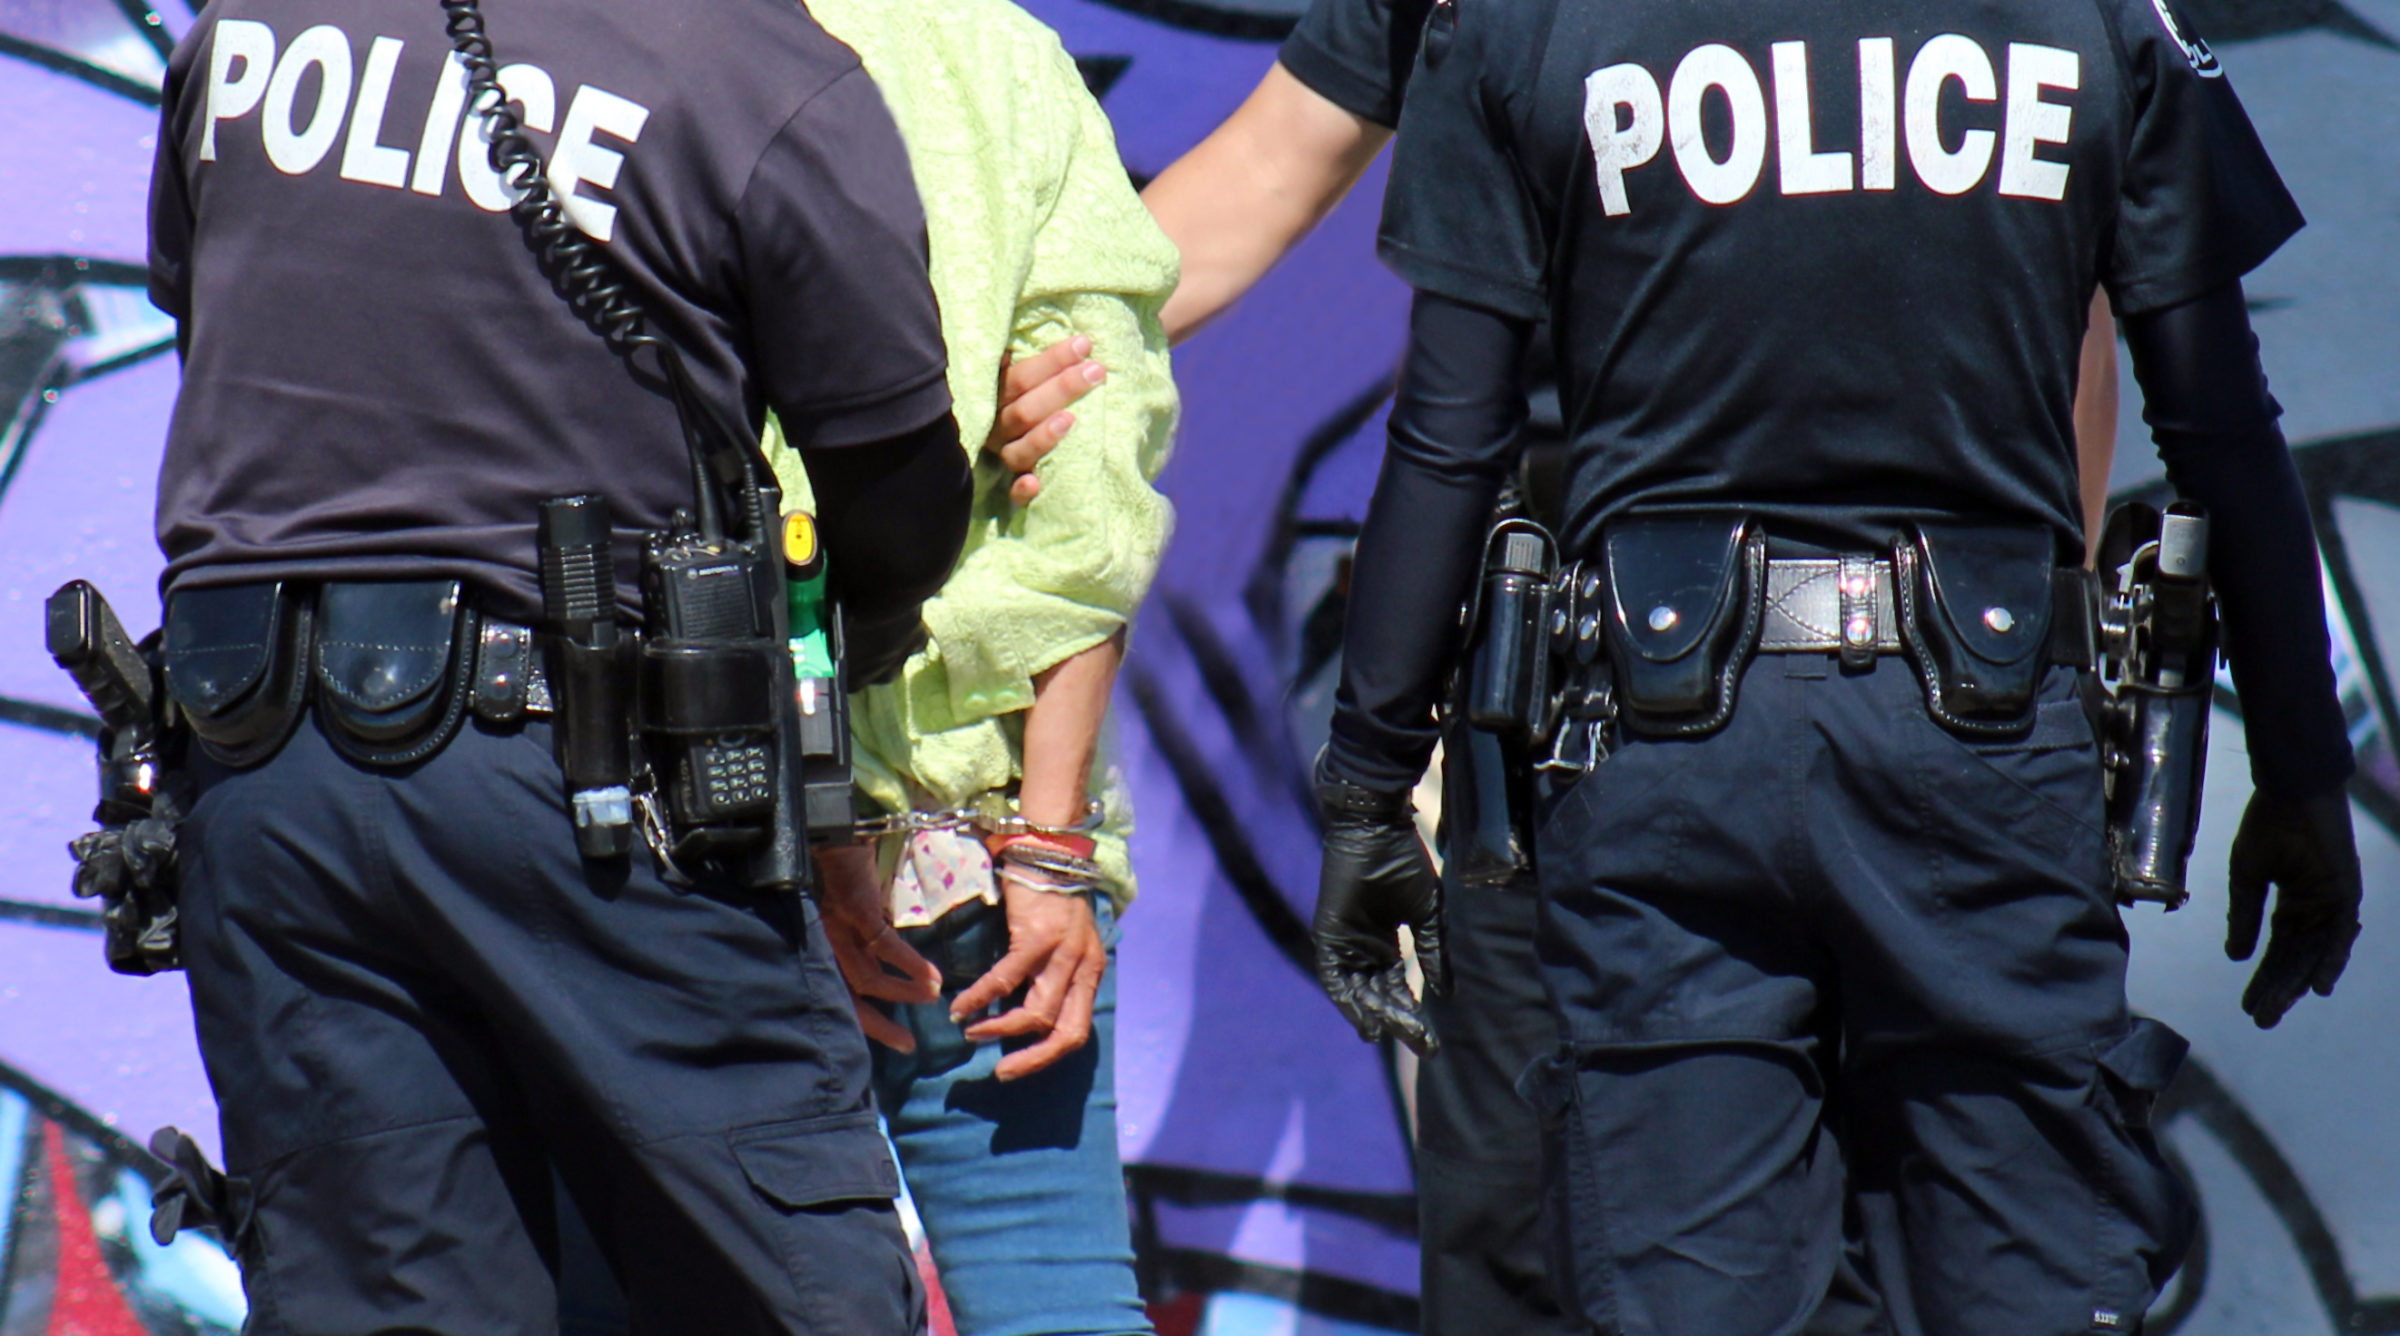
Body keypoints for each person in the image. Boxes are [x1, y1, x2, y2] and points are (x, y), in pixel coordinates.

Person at [1306, 1, 2365, 1334]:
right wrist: (2305, 771)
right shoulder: (2098, 21)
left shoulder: (1532, 23)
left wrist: (1366, 785)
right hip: (1985, 759)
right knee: (2027, 1292)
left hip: (1665, 761)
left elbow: (1449, 439)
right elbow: (2218, 423)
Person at [1109, 8, 2121, 1334]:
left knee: (1895, 1234)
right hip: (1582, 690)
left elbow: (2073, 300)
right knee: (1537, 1222)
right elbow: (1258, 178)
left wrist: (2029, 647)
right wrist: (958, 368)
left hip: (1892, 686)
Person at [134, 0, 970, 1328]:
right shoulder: (758, 74)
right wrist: (797, 707)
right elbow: (902, 500)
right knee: (790, 1291)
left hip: (259, 765)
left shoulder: (250, 23)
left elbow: (216, 319)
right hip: (584, 782)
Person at [774, 2, 1176, 1332]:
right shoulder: (999, 56)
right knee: (1056, 1299)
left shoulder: (639, 53)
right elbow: (1093, 492)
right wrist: (1049, 845)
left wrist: (818, 799)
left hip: (712, 833)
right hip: (983, 837)